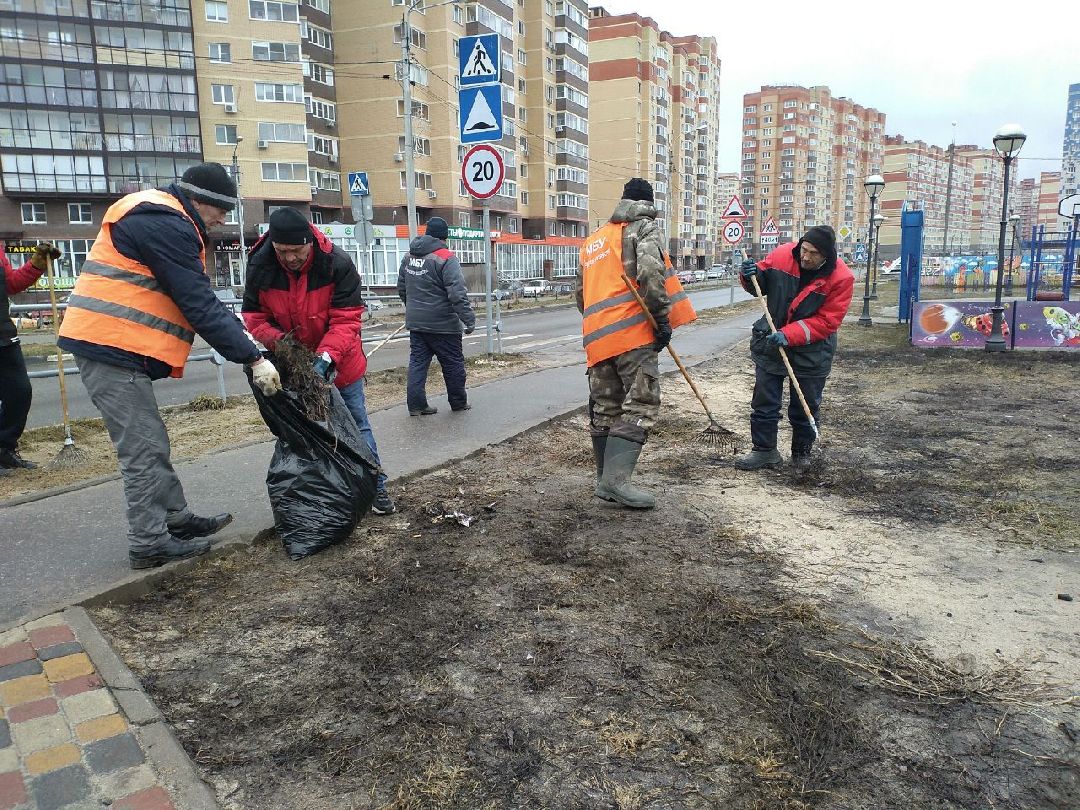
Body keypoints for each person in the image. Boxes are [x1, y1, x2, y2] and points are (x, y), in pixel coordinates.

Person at [57, 162, 282, 569]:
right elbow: (198, 302)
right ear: (200, 202)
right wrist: (252, 356)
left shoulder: (161, 216)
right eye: (221, 210)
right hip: (107, 344)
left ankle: (174, 519)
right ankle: (149, 541)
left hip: (113, 342)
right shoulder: (167, 224)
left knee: (151, 438)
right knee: (142, 448)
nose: (223, 220)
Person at [242, 207, 396, 516]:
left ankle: (376, 488)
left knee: (355, 424)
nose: (290, 258)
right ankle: (324, 495)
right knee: (303, 433)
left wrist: (324, 360)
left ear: (309, 241)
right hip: (292, 365)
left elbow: (346, 321)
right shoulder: (261, 265)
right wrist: (285, 346)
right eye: (282, 251)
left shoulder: (335, 264)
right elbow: (255, 318)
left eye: (296, 251)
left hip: (340, 363)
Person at [576, 178, 696, 509]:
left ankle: (605, 482)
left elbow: (580, 294)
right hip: (631, 336)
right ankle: (616, 482)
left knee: (606, 407)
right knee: (641, 402)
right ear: (647, 203)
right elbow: (652, 275)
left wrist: (601, 323)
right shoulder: (643, 228)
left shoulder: (595, 240)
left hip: (596, 339)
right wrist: (660, 321)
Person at [734, 225, 854, 472]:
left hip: (812, 351)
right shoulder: (781, 255)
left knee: (805, 405)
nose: (805, 257)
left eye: (813, 254)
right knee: (764, 401)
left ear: (827, 256)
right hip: (771, 343)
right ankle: (764, 451)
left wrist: (789, 334)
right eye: (804, 249)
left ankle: (801, 455)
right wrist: (750, 274)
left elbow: (828, 321)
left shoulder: (841, 278)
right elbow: (760, 283)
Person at [396, 216, 476, 415]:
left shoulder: (408, 256)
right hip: (444, 325)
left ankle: (416, 405)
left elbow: (401, 287)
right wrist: (468, 319)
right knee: (453, 364)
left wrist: (413, 308)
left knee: (417, 364)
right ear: (444, 237)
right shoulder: (446, 257)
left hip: (417, 324)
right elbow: (457, 293)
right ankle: (458, 402)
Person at [0, 242, 62, 475]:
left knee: (19, 392)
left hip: (3, 334)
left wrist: (36, 264)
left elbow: (10, 285)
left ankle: (4, 449)